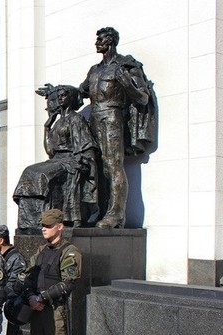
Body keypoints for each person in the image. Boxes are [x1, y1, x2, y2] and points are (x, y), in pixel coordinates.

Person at [80, 27, 154, 229]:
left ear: (111, 41)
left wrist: (127, 84)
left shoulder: (125, 66)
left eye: (101, 39)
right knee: (97, 165)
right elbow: (81, 92)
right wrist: (57, 92)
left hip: (112, 117)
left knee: (113, 164)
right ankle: (101, 210)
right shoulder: (94, 70)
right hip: (94, 118)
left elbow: (143, 97)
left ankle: (117, 214)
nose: (97, 43)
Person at [14, 84, 99, 230]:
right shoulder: (58, 122)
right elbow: (50, 150)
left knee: (42, 175)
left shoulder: (76, 119)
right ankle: (30, 220)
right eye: (58, 96)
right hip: (56, 159)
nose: (60, 98)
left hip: (70, 159)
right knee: (29, 171)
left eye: (64, 95)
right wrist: (47, 127)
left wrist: (83, 160)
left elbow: (87, 146)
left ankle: (45, 218)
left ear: (72, 98)